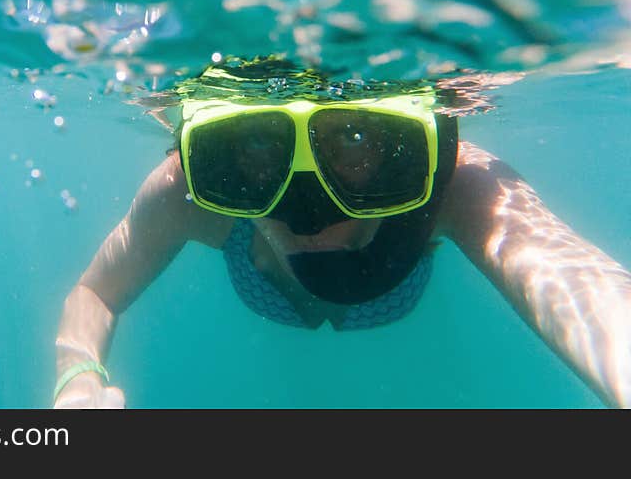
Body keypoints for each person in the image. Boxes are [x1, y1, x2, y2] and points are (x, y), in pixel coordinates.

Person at [52, 60, 631, 408]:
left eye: (356, 141)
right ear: (220, 159)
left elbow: (572, 281)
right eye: (258, 145)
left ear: (414, 152)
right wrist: (77, 382)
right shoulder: (191, 192)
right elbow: (95, 295)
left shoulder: (454, 182)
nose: (310, 217)